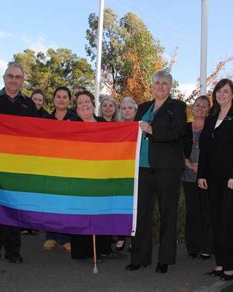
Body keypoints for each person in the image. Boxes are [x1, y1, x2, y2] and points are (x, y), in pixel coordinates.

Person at [125, 70, 187, 274]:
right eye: (157, 83)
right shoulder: (143, 107)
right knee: (141, 213)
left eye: (164, 84)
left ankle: (165, 259)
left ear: (170, 87)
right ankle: (139, 257)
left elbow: (177, 132)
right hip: (143, 168)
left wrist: (153, 131)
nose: (160, 87)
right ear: (152, 86)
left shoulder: (177, 107)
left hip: (167, 168)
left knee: (167, 213)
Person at [0, 62, 38, 264]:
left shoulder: (29, 105)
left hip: (17, 166)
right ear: (4, 78)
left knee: (14, 209)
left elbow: (35, 135)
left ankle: (13, 252)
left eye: (18, 77)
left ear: (23, 80)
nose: (14, 80)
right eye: (10, 76)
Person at [197, 79, 233, 281]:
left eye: (226, 91)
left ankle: (231, 265)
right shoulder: (211, 117)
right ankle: (220, 263)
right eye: (219, 91)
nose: (222, 94)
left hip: (231, 179)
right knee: (216, 221)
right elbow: (204, 148)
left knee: (228, 221)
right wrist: (201, 174)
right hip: (212, 178)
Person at [69, 90, 113, 260]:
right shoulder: (72, 125)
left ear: (93, 104)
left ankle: (103, 248)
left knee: (100, 211)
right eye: (80, 103)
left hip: (101, 174)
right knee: (81, 212)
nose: (84, 105)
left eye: (87, 101)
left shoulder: (103, 123)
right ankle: (82, 251)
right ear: (77, 108)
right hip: (80, 175)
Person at [43, 86, 77, 253]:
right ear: (54, 99)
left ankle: (64, 239)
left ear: (69, 100)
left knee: (66, 202)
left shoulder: (75, 119)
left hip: (69, 166)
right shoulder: (46, 120)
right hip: (51, 166)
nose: (62, 99)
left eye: (65, 97)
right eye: (59, 96)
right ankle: (50, 236)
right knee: (51, 202)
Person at [182, 95, 213, 260]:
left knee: (206, 211)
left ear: (209, 110)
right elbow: (177, 148)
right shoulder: (185, 128)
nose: (200, 108)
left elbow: (216, 151)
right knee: (192, 211)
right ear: (192, 108)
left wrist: (201, 167)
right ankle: (192, 246)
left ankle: (207, 246)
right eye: (197, 105)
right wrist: (187, 162)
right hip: (187, 175)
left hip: (206, 175)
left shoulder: (212, 127)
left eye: (204, 106)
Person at [114, 96, 138, 251]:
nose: (127, 111)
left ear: (135, 110)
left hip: (137, 171)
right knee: (123, 204)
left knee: (137, 205)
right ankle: (122, 235)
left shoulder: (141, 126)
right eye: (124, 108)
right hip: (120, 171)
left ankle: (136, 238)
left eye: (130, 108)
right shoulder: (116, 128)